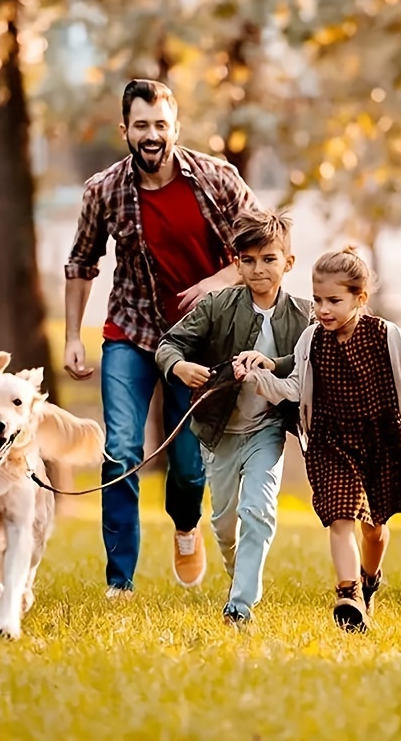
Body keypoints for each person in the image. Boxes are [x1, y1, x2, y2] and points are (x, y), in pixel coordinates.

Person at [64, 78, 262, 597]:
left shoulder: (218, 180)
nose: (151, 135)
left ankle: (184, 525)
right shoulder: (103, 190)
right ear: (125, 129)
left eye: (160, 125)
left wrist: (218, 281)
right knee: (122, 450)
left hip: (198, 343)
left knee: (190, 465)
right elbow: (82, 263)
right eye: (141, 125)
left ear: (175, 127)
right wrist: (71, 336)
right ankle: (120, 581)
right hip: (130, 333)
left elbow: (268, 244)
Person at [238, 248, 401, 632]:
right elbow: (293, 387)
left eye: (334, 300)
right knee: (340, 516)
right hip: (331, 441)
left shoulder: (389, 337)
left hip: (381, 442)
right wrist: (258, 378)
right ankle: (348, 593)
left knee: (375, 529)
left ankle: (368, 581)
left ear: (359, 299)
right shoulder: (311, 340)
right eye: (318, 300)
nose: (323, 309)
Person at [156, 212, 311, 625]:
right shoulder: (217, 304)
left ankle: (240, 606)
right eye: (248, 260)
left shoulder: (304, 315)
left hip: (268, 430)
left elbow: (307, 362)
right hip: (219, 432)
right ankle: (236, 573)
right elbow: (168, 344)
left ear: (288, 263)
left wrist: (271, 364)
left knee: (258, 510)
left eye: (269, 259)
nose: (258, 269)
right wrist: (180, 368)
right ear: (237, 262)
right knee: (225, 525)